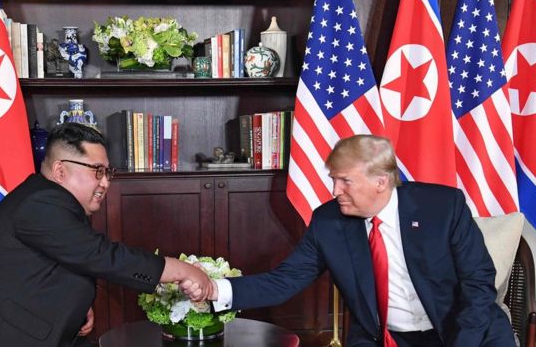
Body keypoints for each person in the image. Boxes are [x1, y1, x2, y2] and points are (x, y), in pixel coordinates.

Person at [185, 135, 515, 347]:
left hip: (465, 332)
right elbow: (286, 280)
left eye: (345, 181)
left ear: (381, 182)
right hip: (382, 338)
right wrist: (216, 290)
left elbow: (478, 283)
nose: (334, 191)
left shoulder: (443, 207)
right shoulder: (329, 221)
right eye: (333, 180)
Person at [0, 123, 212, 347]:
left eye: (108, 172)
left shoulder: (49, 201)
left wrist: (76, 305)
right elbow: (98, 255)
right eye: (97, 171)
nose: (106, 182)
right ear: (60, 170)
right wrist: (178, 269)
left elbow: (57, 263)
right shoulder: (42, 201)